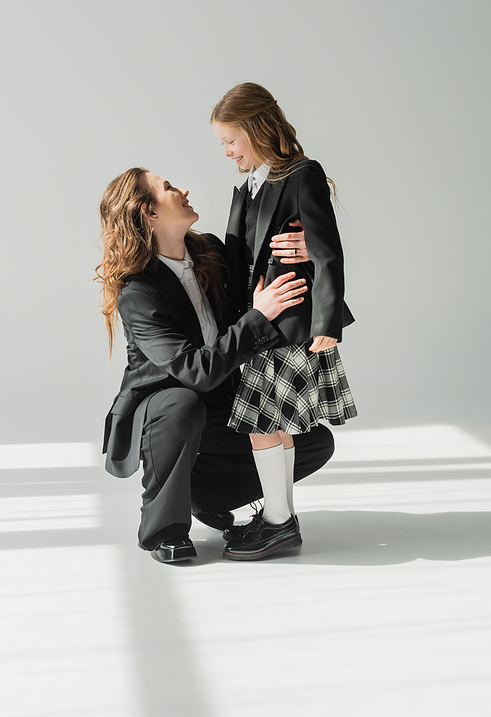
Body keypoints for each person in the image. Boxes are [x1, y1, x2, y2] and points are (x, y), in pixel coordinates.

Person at [96, 167, 335, 563]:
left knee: (314, 442)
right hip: (161, 410)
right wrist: (258, 317)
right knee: (182, 403)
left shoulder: (209, 251)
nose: (182, 189)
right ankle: (164, 530)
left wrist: (310, 247)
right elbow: (195, 372)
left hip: (218, 403)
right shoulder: (138, 293)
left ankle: (202, 495)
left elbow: (266, 257)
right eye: (168, 188)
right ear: (148, 213)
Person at [211, 82, 358, 561]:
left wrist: (328, 320)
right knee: (271, 424)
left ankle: (279, 521)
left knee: (262, 424)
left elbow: (328, 250)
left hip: (291, 322)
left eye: (230, 140)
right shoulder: (248, 186)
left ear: (255, 129)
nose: (227, 151)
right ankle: (281, 519)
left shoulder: (301, 174)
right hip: (259, 322)